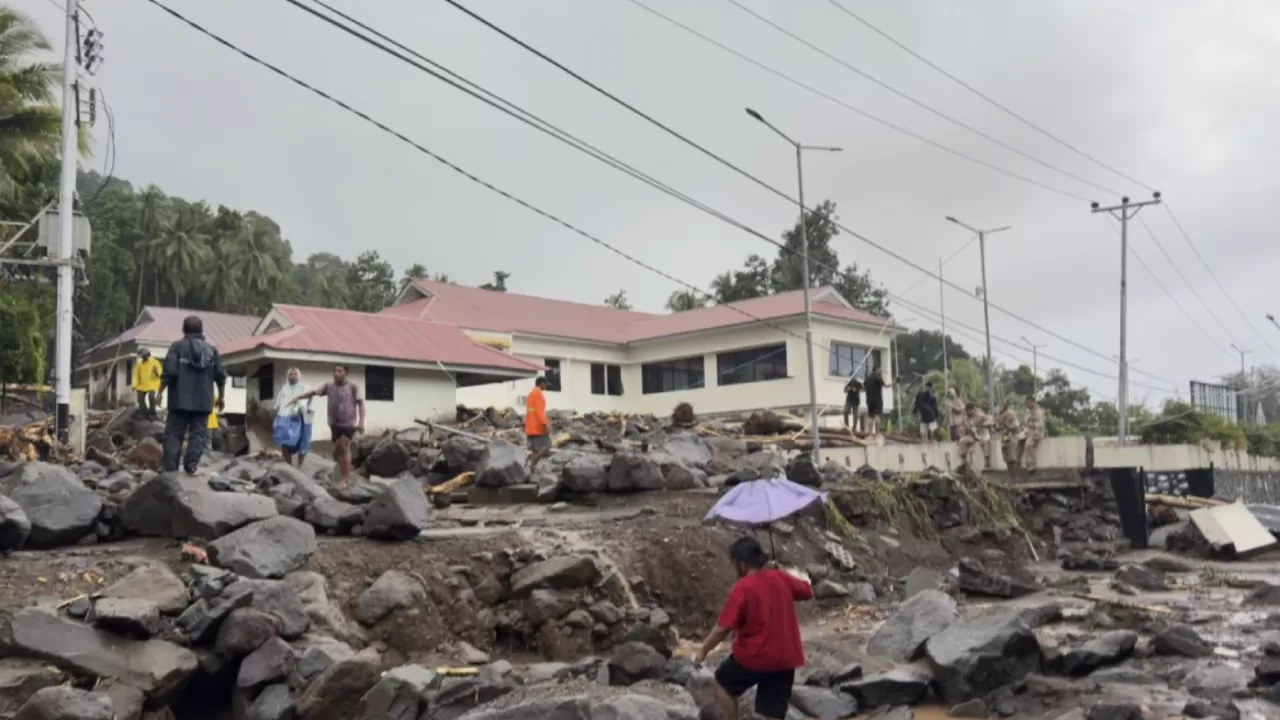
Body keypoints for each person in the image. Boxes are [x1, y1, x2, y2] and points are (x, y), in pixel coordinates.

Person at [694, 537, 813, 720]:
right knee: (772, 712)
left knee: (723, 682)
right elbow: (807, 591)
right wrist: (783, 571)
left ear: (742, 564)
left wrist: (703, 650)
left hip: (754, 657)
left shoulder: (743, 587)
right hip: (785, 659)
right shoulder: (780, 577)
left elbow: (723, 628)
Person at [156, 316, 226, 474]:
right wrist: (221, 397)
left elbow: (170, 372)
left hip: (179, 400)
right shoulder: (212, 350)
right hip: (203, 402)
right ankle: (191, 464)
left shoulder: (176, 347)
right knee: (199, 434)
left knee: (174, 433)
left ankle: (171, 467)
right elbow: (220, 376)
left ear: (184, 330)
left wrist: (160, 392)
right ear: (201, 331)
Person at [288, 365, 365, 489]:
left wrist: (361, 422)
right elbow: (314, 393)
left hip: (349, 423)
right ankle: (344, 475)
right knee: (341, 451)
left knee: (343, 447)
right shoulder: (329, 386)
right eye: (334, 371)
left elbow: (361, 404)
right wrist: (298, 397)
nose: (336, 373)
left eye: (339, 371)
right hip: (334, 423)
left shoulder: (353, 386)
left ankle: (346, 478)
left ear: (346, 373)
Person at [275, 368, 313, 467]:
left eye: (295, 374)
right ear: (288, 376)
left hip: (302, 417)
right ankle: (289, 464)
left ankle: (299, 465)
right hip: (286, 417)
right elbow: (279, 403)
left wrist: (302, 409)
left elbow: (309, 401)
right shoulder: (284, 388)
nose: (292, 376)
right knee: (284, 439)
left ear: (298, 375)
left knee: (303, 440)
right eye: (291, 374)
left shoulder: (304, 387)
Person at [525, 376, 551, 469]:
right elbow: (540, 412)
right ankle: (531, 465)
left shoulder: (530, 394)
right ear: (541, 384)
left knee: (534, 450)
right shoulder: (538, 394)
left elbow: (531, 411)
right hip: (538, 428)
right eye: (545, 384)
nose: (546, 386)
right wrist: (545, 425)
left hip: (530, 427)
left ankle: (530, 470)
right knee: (546, 446)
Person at [957, 402, 993, 470]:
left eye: (970, 410)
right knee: (962, 441)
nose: (968, 412)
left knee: (984, 442)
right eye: (967, 411)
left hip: (983, 434)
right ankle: (963, 461)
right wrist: (963, 432)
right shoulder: (965, 418)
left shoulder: (980, 415)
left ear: (973, 410)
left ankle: (987, 461)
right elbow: (961, 427)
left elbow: (990, 420)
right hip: (973, 435)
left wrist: (982, 425)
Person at [995, 398, 1021, 484]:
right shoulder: (1000, 415)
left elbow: (1016, 428)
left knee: (1012, 458)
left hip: (1012, 436)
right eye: (1000, 404)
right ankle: (1011, 478)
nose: (1001, 406)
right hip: (1004, 437)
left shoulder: (1011, 414)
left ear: (1006, 405)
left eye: (1002, 404)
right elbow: (998, 428)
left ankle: (1014, 478)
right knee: (1007, 459)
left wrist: (1005, 425)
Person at [131, 349, 162, 417]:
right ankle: (144, 412)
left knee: (151, 396)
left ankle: (152, 412)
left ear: (147, 355)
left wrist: (156, 372)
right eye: (142, 357)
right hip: (143, 385)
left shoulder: (155, 362)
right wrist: (134, 385)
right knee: (140, 398)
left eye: (144, 356)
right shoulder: (139, 364)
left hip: (152, 384)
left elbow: (160, 373)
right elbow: (136, 375)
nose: (143, 358)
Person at [1020, 396, 1046, 475]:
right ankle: (1018, 462)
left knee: (1028, 445)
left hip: (1036, 432)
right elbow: (1024, 423)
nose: (1028, 404)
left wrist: (1031, 426)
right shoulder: (1027, 412)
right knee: (1017, 441)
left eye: (1030, 402)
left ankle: (1031, 465)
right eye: (1027, 403)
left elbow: (1040, 425)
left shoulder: (1040, 412)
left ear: (1034, 402)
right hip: (1027, 432)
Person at [864, 369, 892, 436]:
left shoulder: (867, 379)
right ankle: (877, 434)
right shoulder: (878, 378)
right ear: (876, 370)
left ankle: (870, 434)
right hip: (877, 400)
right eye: (880, 370)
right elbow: (886, 386)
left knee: (870, 416)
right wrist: (895, 382)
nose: (880, 372)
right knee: (877, 416)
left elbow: (864, 387)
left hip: (869, 400)